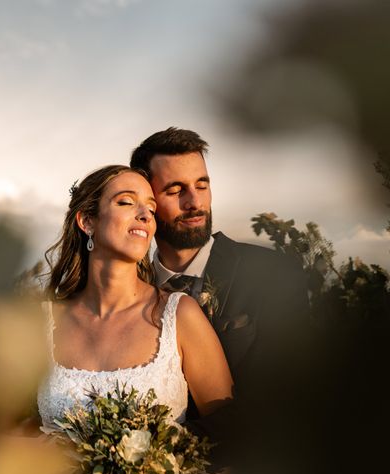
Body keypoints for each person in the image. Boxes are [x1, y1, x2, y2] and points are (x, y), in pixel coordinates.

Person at [129, 127, 310, 444]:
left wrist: (140, 453)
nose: (195, 201)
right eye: (176, 190)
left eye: (202, 185)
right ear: (148, 201)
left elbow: (281, 399)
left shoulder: (274, 272)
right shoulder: (127, 293)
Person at [37, 165, 233, 433]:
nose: (145, 216)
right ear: (87, 222)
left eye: (151, 210)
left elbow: (229, 432)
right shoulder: (41, 322)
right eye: (127, 202)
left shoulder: (179, 315)